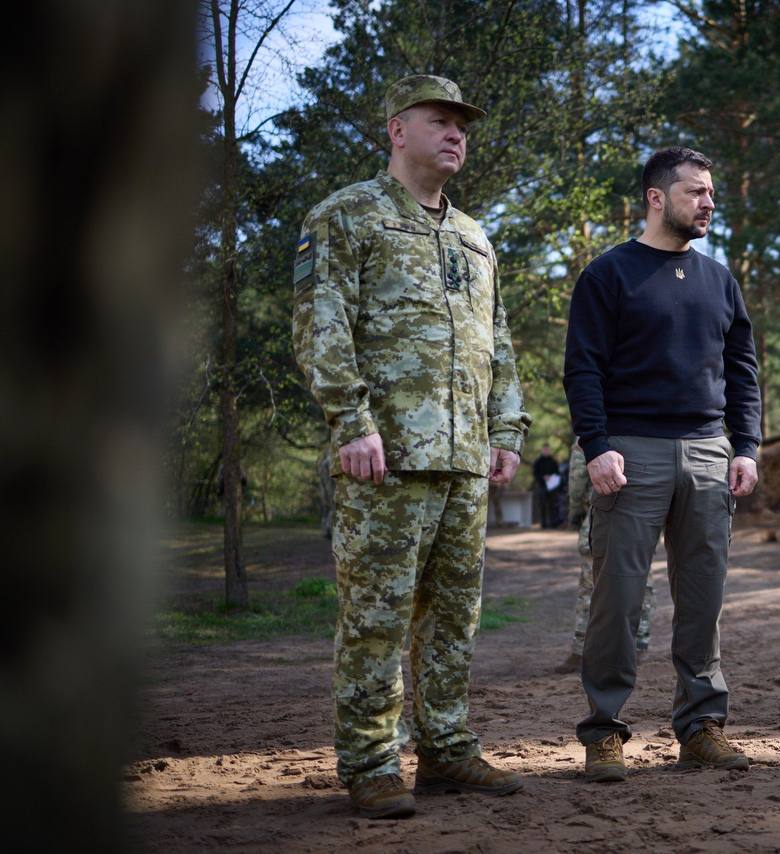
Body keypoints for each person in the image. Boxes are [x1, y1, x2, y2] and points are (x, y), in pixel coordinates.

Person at [292, 74, 531, 819]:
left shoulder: (474, 236)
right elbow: (321, 324)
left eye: (462, 125)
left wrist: (506, 429)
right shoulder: (347, 215)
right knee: (377, 618)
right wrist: (351, 422)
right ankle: (370, 762)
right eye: (440, 121)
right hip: (385, 457)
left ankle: (447, 748)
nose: (456, 134)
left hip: (464, 461)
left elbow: (497, 341)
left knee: (453, 618)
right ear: (398, 130)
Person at [563, 146, 762, 783]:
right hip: (630, 453)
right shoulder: (608, 274)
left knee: (703, 599)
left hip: (707, 452)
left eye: (711, 192)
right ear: (656, 197)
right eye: (695, 191)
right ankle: (604, 731)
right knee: (617, 599)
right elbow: (582, 368)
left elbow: (742, 370)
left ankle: (701, 728)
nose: (708, 203)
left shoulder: (719, 280)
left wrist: (746, 446)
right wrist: (596, 445)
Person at [555, 441, 656, 674]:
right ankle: (639, 644)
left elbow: (577, 479)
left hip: (602, 511)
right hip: (645, 516)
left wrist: (575, 514)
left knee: (592, 583)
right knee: (643, 577)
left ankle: (581, 650)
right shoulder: (648, 429)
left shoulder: (591, 433)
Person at [532, 445, 560, 528]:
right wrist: (542, 477)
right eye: (545, 450)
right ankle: (543, 523)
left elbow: (557, 473)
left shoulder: (553, 461)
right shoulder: (538, 462)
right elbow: (535, 474)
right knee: (542, 504)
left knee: (553, 505)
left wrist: (551, 477)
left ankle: (554, 523)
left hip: (552, 486)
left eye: (547, 450)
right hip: (542, 485)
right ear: (542, 450)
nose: (546, 451)